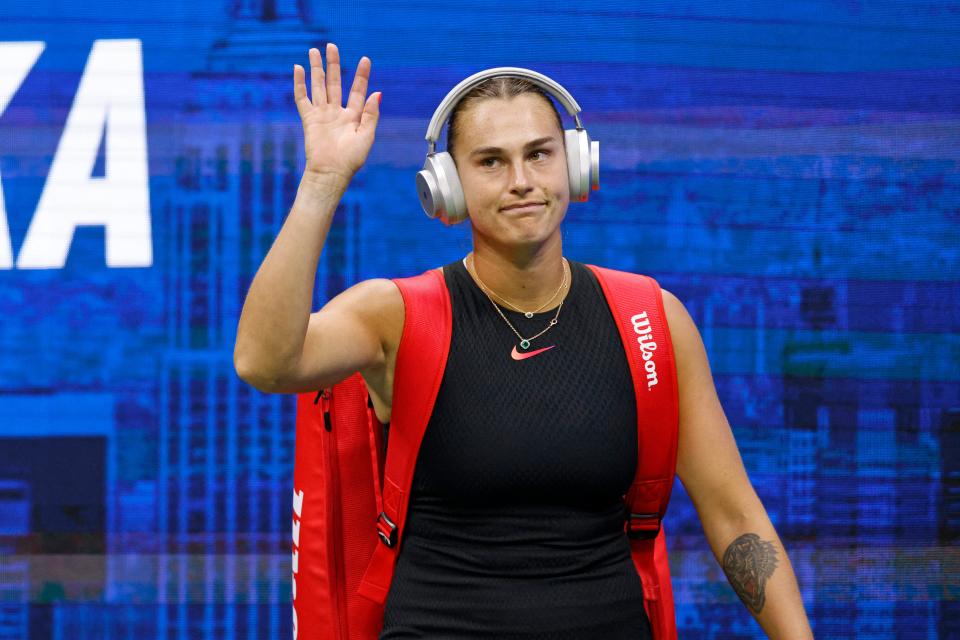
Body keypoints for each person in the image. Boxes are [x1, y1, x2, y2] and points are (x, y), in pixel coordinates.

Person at [234, 43, 814, 639]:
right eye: (490, 162)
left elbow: (734, 516)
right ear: (447, 188)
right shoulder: (401, 316)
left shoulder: (650, 321)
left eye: (539, 154)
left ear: (576, 164)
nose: (521, 182)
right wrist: (323, 181)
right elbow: (265, 361)